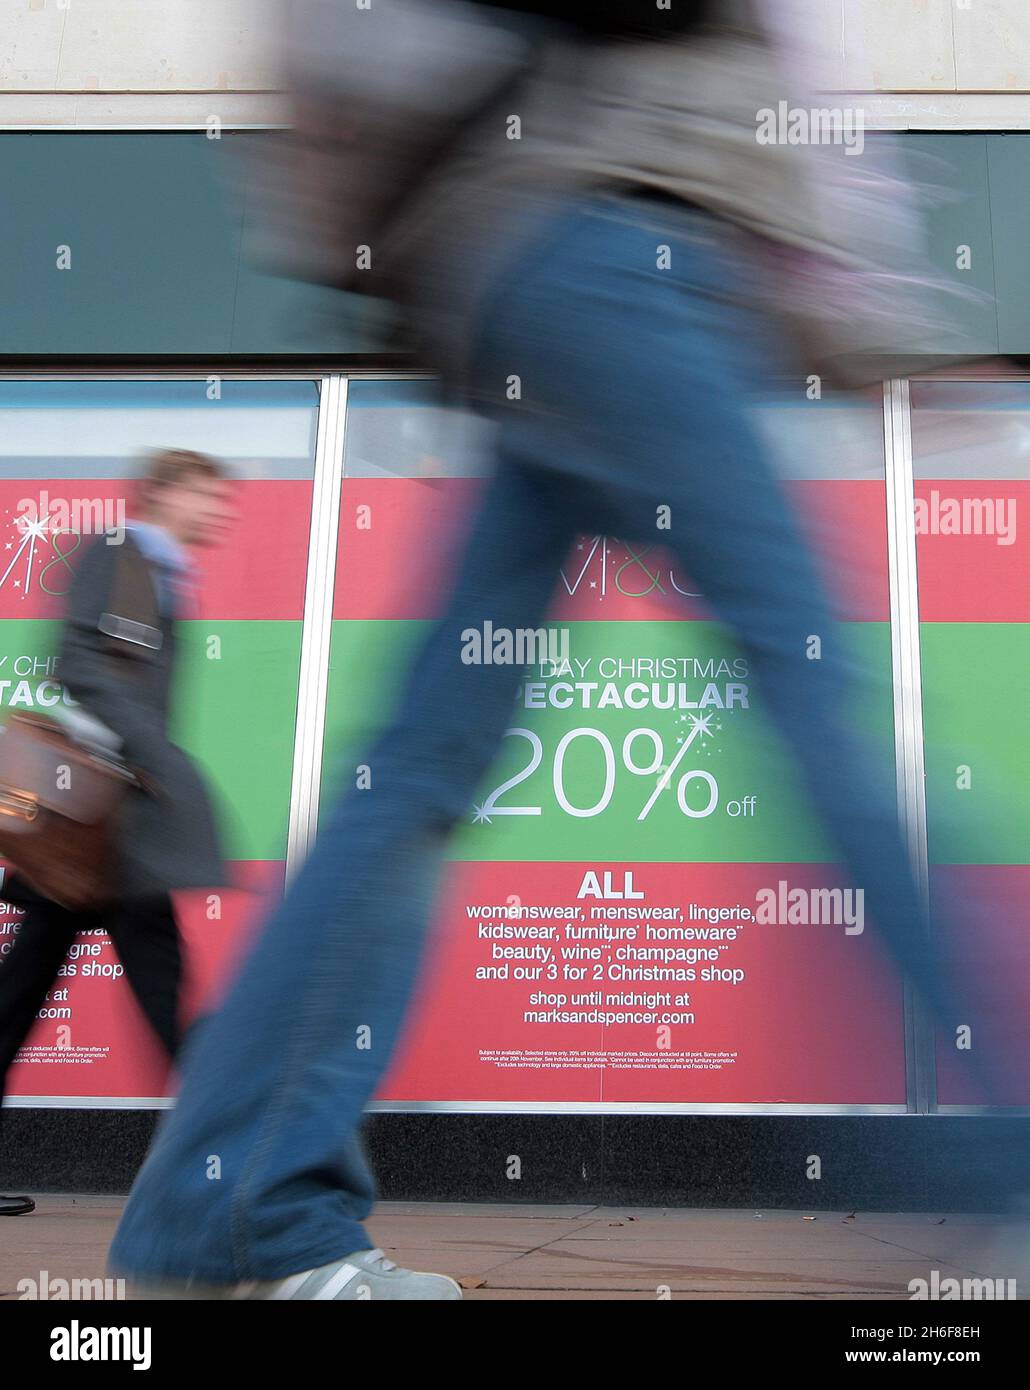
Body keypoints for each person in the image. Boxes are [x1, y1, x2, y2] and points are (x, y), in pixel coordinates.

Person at [107, 2, 1024, 1298]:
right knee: (812, 688)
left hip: (530, 271)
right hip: (618, 258)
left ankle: (237, 1210)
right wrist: (871, 323)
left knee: (422, 766)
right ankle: (1006, 1166)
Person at [0, 449, 235, 1217]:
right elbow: (76, 661)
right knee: (160, 1001)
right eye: (207, 496)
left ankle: (219, 1168)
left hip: (108, 833)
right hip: (101, 826)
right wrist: (151, 750)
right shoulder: (120, 553)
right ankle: (224, 1171)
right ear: (165, 493)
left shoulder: (159, 571)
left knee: (28, 998)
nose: (219, 511)